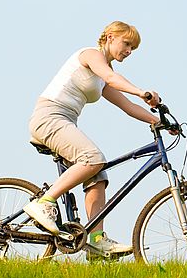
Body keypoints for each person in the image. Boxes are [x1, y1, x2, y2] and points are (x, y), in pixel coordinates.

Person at [24, 20, 163, 259]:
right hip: (49, 116)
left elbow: (127, 107)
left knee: (98, 176)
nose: (129, 51)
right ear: (110, 37)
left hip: (65, 121)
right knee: (93, 158)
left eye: (133, 48)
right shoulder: (90, 55)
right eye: (127, 43)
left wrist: (158, 122)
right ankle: (44, 202)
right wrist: (142, 92)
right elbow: (111, 77)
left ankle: (97, 242)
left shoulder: (101, 80)